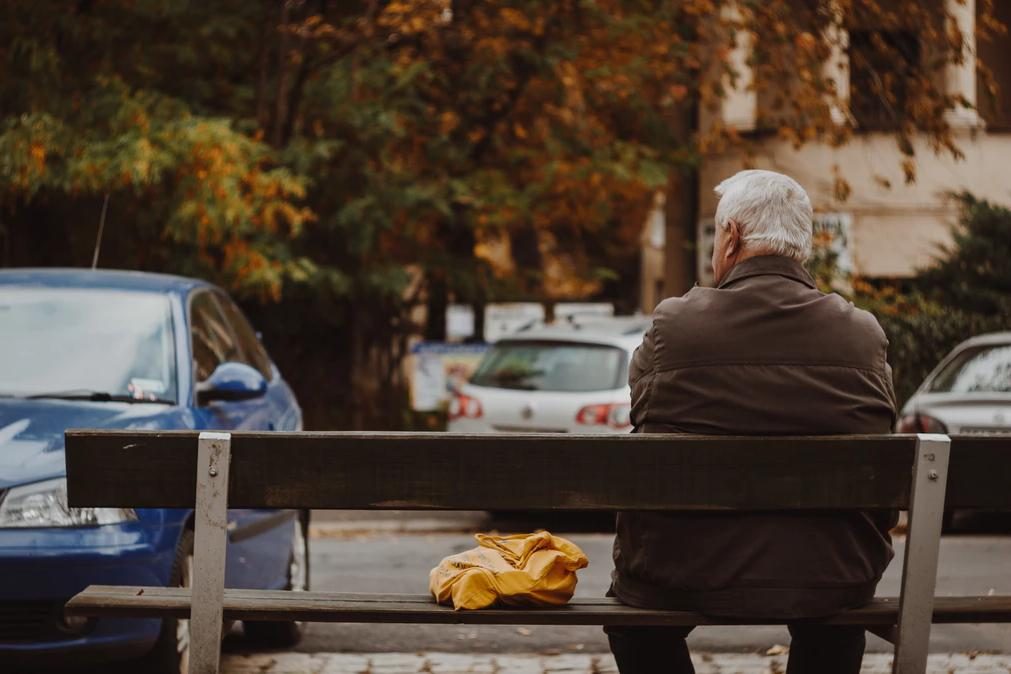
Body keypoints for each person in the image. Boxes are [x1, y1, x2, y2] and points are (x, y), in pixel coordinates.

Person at [607, 169, 898, 674]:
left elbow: (643, 412)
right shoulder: (861, 334)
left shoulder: (675, 326)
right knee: (835, 613)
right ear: (801, 246)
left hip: (684, 568)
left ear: (733, 237)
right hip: (831, 572)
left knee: (636, 621)